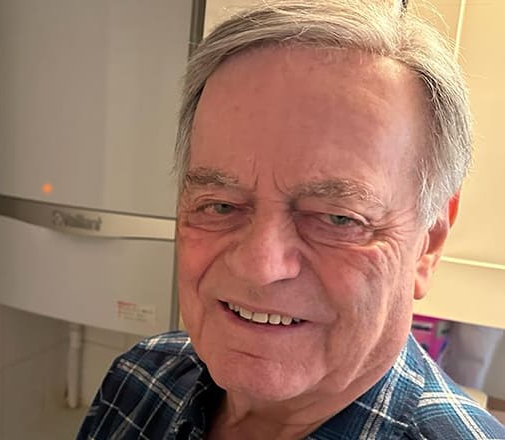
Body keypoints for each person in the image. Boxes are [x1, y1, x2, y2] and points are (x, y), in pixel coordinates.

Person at [77, 0, 505, 438]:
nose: (259, 267)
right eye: (220, 205)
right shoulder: (139, 382)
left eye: (338, 218)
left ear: (427, 244)